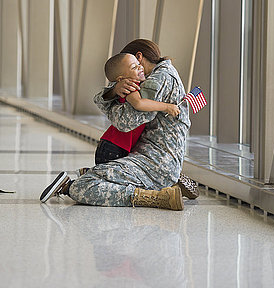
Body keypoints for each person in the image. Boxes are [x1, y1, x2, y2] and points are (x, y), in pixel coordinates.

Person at [40, 39, 195, 211]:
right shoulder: (163, 73)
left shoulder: (158, 80)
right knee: (95, 175)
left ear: (138, 57)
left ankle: (157, 197)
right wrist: (115, 90)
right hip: (155, 159)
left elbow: (125, 122)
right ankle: (165, 183)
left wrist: (115, 95)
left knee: (80, 187)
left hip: (155, 164)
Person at [88, 52, 180, 167]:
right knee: (109, 178)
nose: (140, 67)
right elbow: (139, 104)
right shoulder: (130, 87)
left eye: (138, 64)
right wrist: (167, 107)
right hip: (113, 147)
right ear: (121, 79)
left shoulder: (137, 84)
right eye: (134, 67)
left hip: (118, 146)